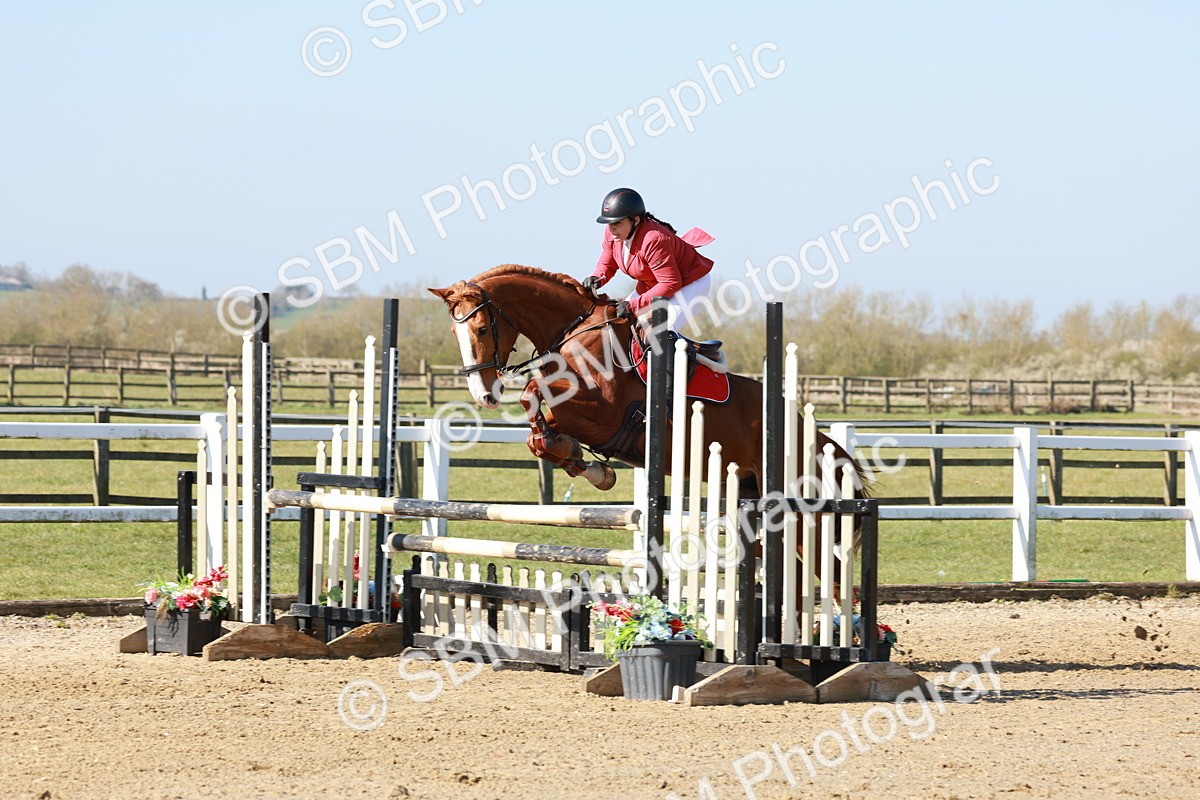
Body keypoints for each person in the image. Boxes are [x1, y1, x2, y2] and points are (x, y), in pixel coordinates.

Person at [582, 187, 715, 335]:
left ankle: (697, 357)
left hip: (688, 283)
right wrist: (597, 278)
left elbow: (670, 283)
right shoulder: (613, 233)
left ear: (636, 220)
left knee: (661, 332)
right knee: (621, 325)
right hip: (655, 285)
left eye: (617, 223)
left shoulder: (653, 239)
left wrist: (633, 305)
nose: (612, 229)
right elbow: (607, 264)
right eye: (609, 223)